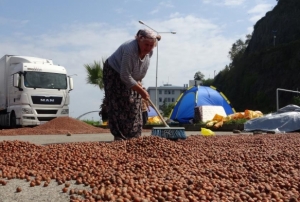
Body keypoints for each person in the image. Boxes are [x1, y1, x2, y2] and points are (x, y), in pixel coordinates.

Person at [103, 29, 161, 141]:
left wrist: (138, 84)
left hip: (130, 75)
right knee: (119, 102)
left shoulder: (149, 52)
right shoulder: (130, 49)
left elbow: (138, 67)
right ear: (139, 40)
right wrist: (142, 91)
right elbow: (125, 75)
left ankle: (134, 137)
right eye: (146, 45)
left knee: (135, 102)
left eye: (151, 45)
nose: (148, 48)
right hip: (114, 72)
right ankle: (120, 136)